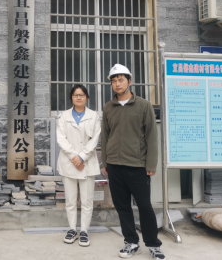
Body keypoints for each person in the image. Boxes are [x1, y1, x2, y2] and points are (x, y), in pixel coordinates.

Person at [101, 64, 165, 259]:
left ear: (130, 81)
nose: (117, 84)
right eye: (114, 81)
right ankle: (131, 242)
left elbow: (151, 136)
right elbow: (105, 136)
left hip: (137, 166)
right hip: (114, 166)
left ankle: (153, 245)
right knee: (122, 207)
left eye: (121, 79)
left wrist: (151, 164)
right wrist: (105, 162)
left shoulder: (143, 105)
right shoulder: (108, 107)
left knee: (145, 206)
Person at [56, 84, 101, 247]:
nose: (79, 97)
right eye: (75, 95)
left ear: (87, 97)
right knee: (70, 200)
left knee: (87, 201)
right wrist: (74, 157)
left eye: (82, 95)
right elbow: (61, 138)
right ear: (71, 98)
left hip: (87, 163)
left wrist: (81, 157)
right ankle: (72, 229)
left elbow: (95, 139)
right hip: (69, 163)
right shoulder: (63, 116)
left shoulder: (94, 116)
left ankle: (84, 231)